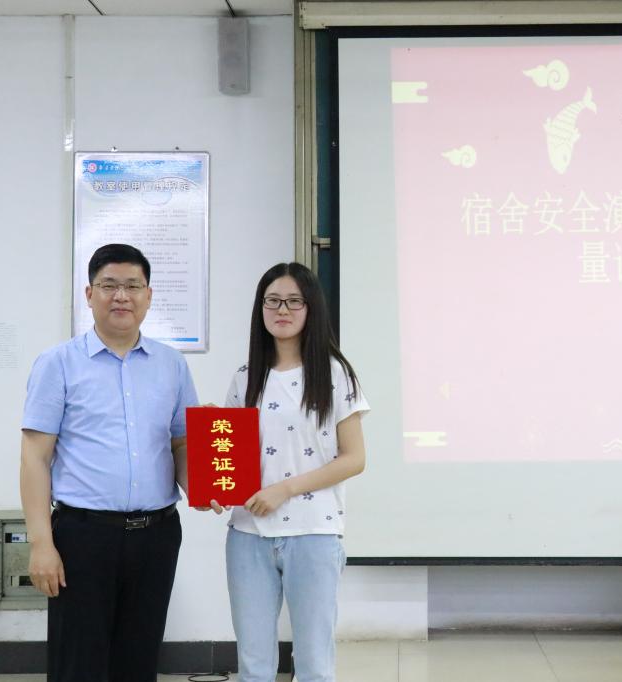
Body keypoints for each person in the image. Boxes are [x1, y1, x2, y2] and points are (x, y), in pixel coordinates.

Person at [19, 243, 199, 682]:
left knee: (139, 661)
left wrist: (204, 486)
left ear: (149, 295)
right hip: (83, 536)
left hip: (156, 535)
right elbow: (35, 457)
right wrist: (41, 544)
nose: (122, 296)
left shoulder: (172, 365)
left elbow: (181, 444)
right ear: (89, 294)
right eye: (109, 285)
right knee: (78, 663)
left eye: (133, 286)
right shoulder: (58, 363)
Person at [210, 262, 368, 682]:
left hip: (313, 532)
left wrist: (285, 489)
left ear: (311, 308)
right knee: (254, 663)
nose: (282, 309)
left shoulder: (335, 374)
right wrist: (216, 484)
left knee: (314, 662)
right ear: (260, 308)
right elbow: (231, 457)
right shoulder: (245, 378)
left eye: (294, 301)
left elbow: (354, 458)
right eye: (273, 300)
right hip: (248, 534)